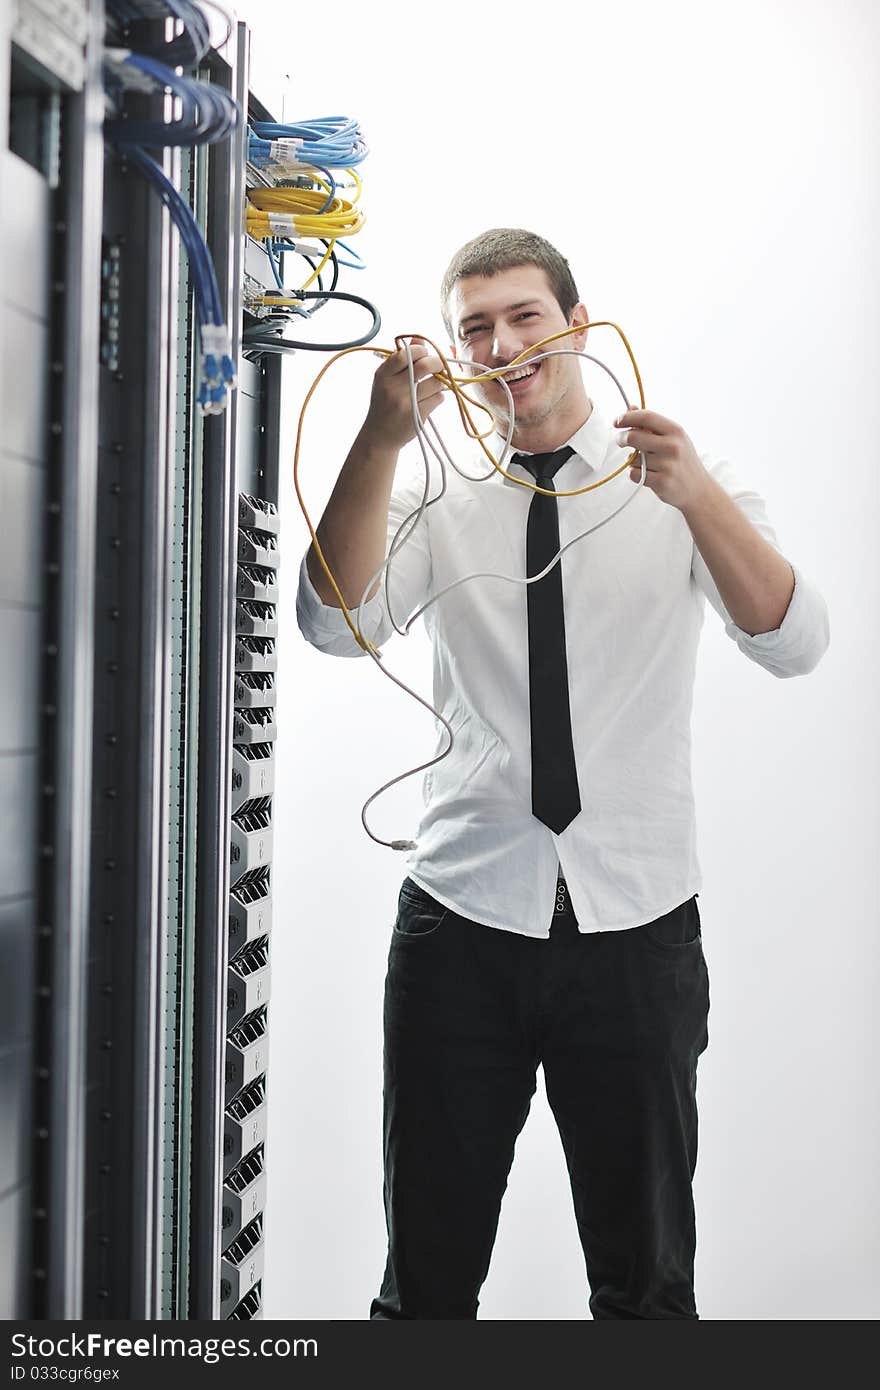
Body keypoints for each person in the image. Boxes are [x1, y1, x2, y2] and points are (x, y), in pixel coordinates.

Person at [295, 228, 830, 1319]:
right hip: (460, 927)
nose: (502, 343)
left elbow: (795, 641)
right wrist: (381, 441)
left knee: (645, 1289)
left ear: (577, 325)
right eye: (474, 328)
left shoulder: (676, 481)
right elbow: (328, 623)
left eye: (523, 315)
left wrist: (694, 499)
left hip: (636, 931)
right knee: (424, 1287)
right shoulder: (434, 494)